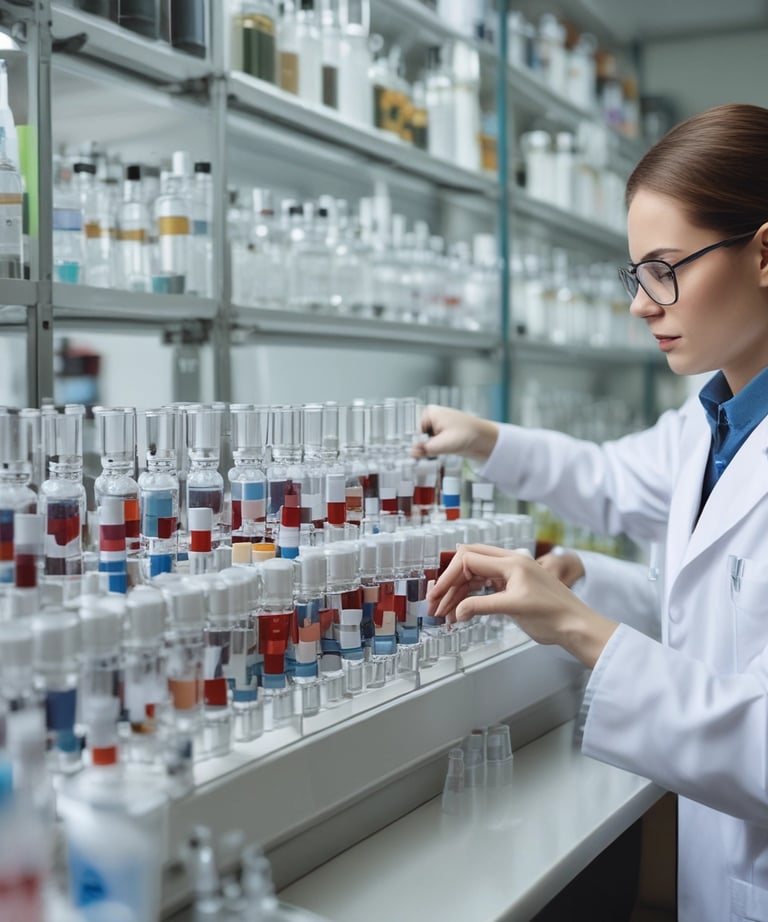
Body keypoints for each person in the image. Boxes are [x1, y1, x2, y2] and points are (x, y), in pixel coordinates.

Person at [416, 103, 768, 922]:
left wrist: (582, 629)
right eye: (635, 273)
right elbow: (718, 613)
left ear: (762, 253)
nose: (644, 303)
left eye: (666, 268)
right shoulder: (712, 417)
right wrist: (584, 586)